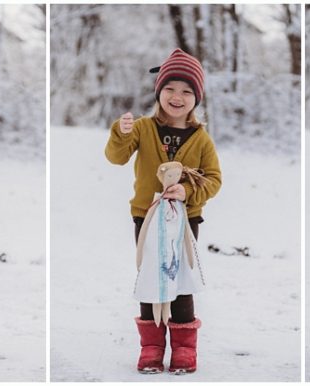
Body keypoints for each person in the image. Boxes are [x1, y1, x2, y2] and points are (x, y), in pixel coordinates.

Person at [104, 48, 222, 375]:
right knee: (151, 279)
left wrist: (188, 190)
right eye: (170, 88)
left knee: (180, 278)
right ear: (158, 92)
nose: (177, 96)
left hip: (184, 221)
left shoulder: (201, 138)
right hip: (147, 216)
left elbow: (214, 179)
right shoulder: (142, 128)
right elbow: (116, 157)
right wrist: (121, 133)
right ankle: (151, 346)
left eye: (186, 91)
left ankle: (184, 347)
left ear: (196, 99)